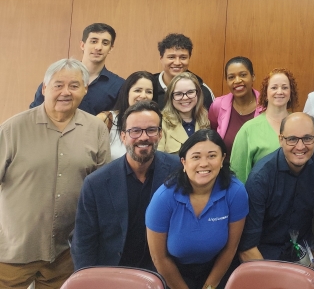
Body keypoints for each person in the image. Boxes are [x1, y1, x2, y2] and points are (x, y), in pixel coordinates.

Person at [0, 59, 111, 289]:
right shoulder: (12, 129)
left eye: (74, 86)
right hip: (13, 250)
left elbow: (102, 190)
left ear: (85, 89)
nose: (65, 92)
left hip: (65, 253)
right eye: (58, 85)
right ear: (44, 88)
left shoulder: (96, 129)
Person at [72, 101, 180, 271]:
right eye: (135, 131)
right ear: (123, 136)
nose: (143, 137)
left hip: (165, 272)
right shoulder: (96, 183)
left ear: (160, 134)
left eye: (151, 130)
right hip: (113, 273)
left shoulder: (179, 172)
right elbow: (84, 244)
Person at [146, 129, 248, 289]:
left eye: (212, 156)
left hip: (218, 271)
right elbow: (159, 258)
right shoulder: (163, 198)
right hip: (172, 273)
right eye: (196, 157)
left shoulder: (236, 192)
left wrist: (209, 287)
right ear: (184, 162)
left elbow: (230, 248)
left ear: (222, 159)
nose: (204, 163)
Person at [239, 113, 314, 267]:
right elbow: (247, 248)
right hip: (266, 255)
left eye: (307, 138)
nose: (300, 146)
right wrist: (277, 278)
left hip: (304, 248)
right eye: (292, 139)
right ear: (281, 140)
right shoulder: (260, 178)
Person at [29, 22, 124, 115]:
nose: (98, 47)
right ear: (82, 45)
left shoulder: (119, 85)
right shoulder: (57, 75)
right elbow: (34, 113)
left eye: (105, 43)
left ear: (111, 48)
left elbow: (119, 119)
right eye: (93, 41)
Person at [231, 67, 296, 182]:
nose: (279, 92)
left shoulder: (301, 124)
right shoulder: (248, 129)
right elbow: (238, 173)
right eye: (274, 87)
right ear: (266, 93)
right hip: (260, 192)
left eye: (285, 87)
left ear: (291, 93)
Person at [97, 71, 156, 159]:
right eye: (138, 90)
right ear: (127, 93)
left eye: (149, 92)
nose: (143, 95)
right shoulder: (106, 119)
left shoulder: (157, 123)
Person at [209, 57, 262, 154]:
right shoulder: (218, 105)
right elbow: (211, 134)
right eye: (231, 77)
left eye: (243, 75)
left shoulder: (267, 106)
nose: (237, 81)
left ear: (253, 76)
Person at [152, 33, 215, 108]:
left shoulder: (203, 91)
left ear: (189, 59)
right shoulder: (148, 88)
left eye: (183, 57)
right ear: (161, 59)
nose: (177, 63)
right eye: (171, 57)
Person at [158, 72, 210, 155]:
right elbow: (158, 159)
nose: (185, 97)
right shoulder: (161, 123)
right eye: (178, 94)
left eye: (190, 92)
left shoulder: (206, 121)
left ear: (198, 94)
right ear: (170, 97)